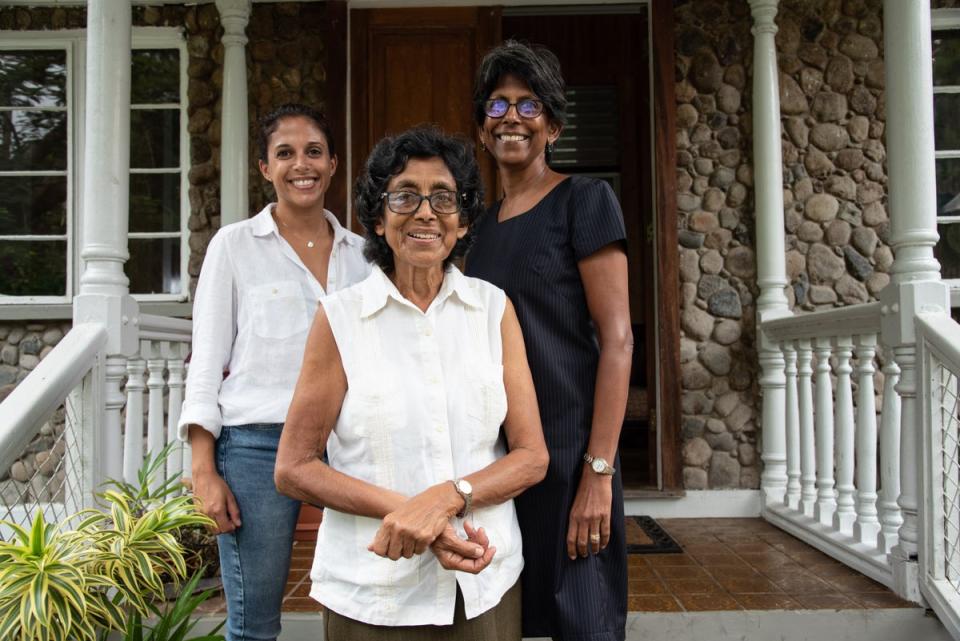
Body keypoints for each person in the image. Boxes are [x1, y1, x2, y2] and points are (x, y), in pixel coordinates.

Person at [274, 126, 549, 641]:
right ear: (379, 219)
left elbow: (532, 456)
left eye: (444, 199)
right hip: (375, 593)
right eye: (405, 196)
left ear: (463, 222)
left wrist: (448, 498)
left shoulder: (494, 309)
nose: (425, 212)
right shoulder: (340, 319)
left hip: (483, 583)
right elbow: (294, 468)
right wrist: (408, 514)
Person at [177, 103, 370, 641]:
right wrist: (203, 468)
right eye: (284, 153)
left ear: (333, 163)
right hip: (256, 446)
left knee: (370, 599)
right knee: (254, 621)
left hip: (349, 447)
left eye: (313, 151)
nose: (300, 164)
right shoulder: (234, 247)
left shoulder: (365, 256)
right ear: (265, 168)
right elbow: (206, 360)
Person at [466, 41, 633, 641]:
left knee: (584, 623)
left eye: (529, 105)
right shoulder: (480, 231)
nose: (512, 116)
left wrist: (598, 472)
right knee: (516, 622)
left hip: (571, 459)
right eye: (498, 105)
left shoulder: (584, 202)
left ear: (553, 127)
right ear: (483, 131)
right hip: (504, 462)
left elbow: (618, 342)